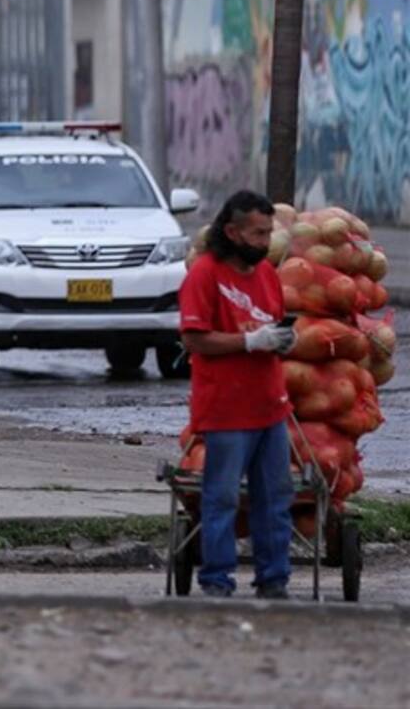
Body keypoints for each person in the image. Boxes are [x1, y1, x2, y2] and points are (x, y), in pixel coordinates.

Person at [179, 190, 298, 598]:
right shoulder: (204, 275)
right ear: (232, 232)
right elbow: (194, 339)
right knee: (222, 498)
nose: (265, 242)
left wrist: (283, 340)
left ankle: (274, 578)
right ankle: (216, 580)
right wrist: (248, 342)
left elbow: (273, 325)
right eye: (257, 234)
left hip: (270, 406)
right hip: (226, 410)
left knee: (276, 498)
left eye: (268, 233)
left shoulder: (266, 275)